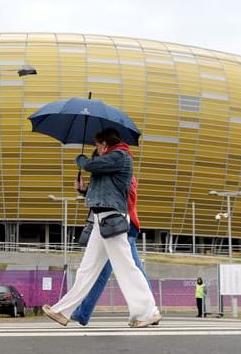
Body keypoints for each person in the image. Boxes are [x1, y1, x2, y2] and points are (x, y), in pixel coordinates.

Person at [42, 128, 161, 328]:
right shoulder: (108, 163)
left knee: (126, 268)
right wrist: (83, 190)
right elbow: (102, 191)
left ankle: (148, 311)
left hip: (112, 219)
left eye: (97, 144)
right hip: (100, 219)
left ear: (105, 142)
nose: (95, 147)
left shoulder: (121, 156)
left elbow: (90, 165)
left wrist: (82, 161)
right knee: (86, 269)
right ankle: (62, 310)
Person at [70, 146, 154, 326]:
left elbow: (122, 198)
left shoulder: (123, 172)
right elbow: (103, 196)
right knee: (131, 270)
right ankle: (149, 311)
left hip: (122, 226)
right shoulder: (112, 175)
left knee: (124, 271)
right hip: (113, 226)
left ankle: (148, 311)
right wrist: (85, 190)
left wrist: (85, 163)